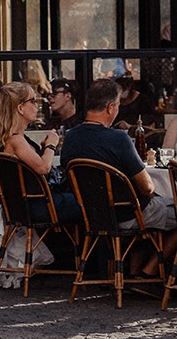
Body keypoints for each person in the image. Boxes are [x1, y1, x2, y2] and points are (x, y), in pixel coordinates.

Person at [60, 78, 177, 275]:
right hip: (128, 215)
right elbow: (147, 188)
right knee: (156, 210)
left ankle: (134, 272)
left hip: (93, 215)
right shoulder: (119, 139)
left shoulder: (71, 137)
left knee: (150, 213)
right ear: (111, 107)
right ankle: (150, 271)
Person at [0, 82, 80, 223]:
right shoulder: (16, 140)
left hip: (23, 205)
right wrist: (51, 145)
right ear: (20, 108)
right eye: (32, 101)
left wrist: (42, 150)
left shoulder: (10, 138)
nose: (37, 106)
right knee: (90, 201)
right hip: (37, 206)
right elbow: (43, 168)